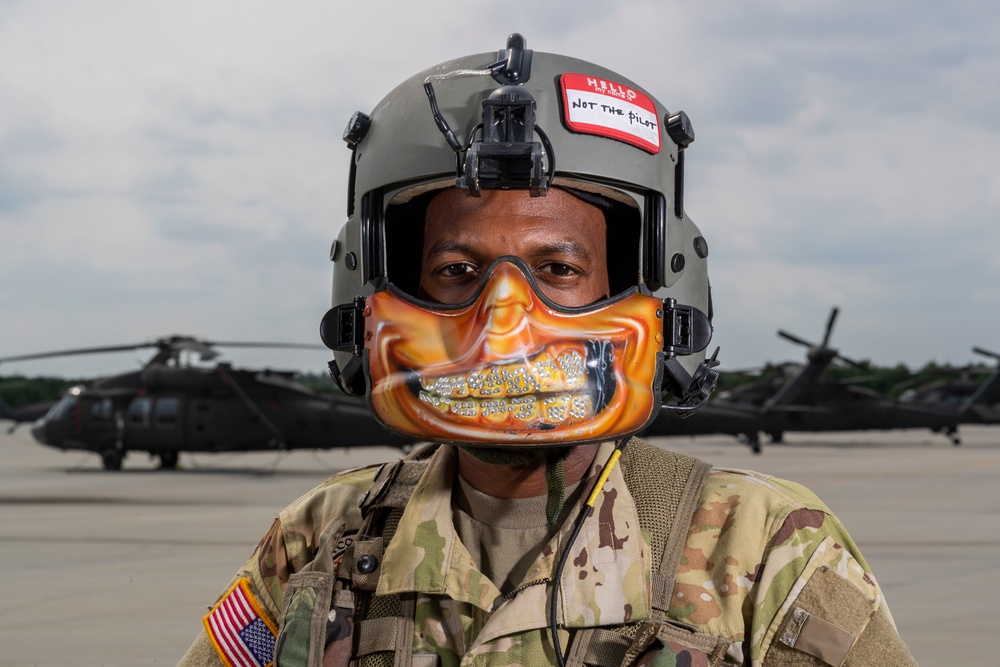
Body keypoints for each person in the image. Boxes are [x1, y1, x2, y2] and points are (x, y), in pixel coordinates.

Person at [178, 34, 917, 667]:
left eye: (558, 270)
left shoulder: (761, 548)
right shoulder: (319, 542)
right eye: (456, 272)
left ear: (664, 291)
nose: (504, 324)